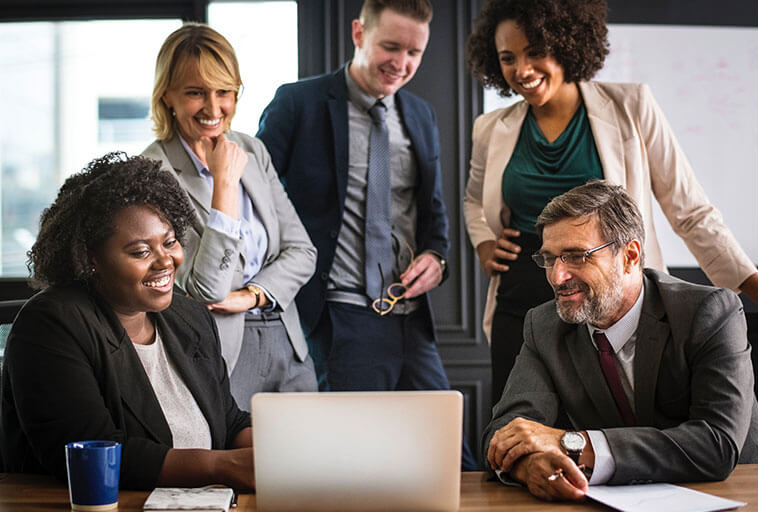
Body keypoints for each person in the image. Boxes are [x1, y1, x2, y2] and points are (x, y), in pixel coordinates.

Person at [463, 0, 758, 406]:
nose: (522, 70)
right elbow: (473, 201)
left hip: (610, 298)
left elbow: (690, 210)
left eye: (537, 51)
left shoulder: (631, 107)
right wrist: (484, 242)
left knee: (612, 428)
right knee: (518, 426)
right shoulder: (490, 128)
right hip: (521, 298)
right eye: (508, 58)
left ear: (567, 43)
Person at [484, 180, 758, 501]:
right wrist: (531, 464)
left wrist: (573, 444)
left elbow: (716, 443)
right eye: (549, 259)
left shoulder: (708, 311)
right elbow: (507, 430)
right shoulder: (544, 325)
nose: (557, 277)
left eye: (576, 256)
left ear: (630, 256)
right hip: (634, 500)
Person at [1, 153, 254, 490]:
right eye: (140, 252)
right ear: (90, 259)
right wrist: (223, 467)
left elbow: (229, 420)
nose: (165, 261)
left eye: (169, 242)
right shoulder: (50, 325)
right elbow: (91, 449)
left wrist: (279, 448)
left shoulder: (188, 316)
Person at [256, 0, 449, 395]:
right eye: (391, 47)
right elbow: (255, 197)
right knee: (354, 451)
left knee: (448, 450)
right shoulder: (297, 104)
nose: (401, 63)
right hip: (338, 317)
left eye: (414, 52)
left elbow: (433, 211)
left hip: (412, 320)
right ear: (359, 33)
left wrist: (437, 257)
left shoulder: (420, 114)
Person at [142, 23, 318, 410]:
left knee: (310, 465)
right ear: (167, 96)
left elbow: (302, 251)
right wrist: (224, 184)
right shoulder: (153, 171)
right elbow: (207, 288)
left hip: (286, 340)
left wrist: (252, 295)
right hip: (219, 350)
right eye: (195, 93)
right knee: (235, 468)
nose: (213, 107)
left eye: (224, 92)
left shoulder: (251, 150)